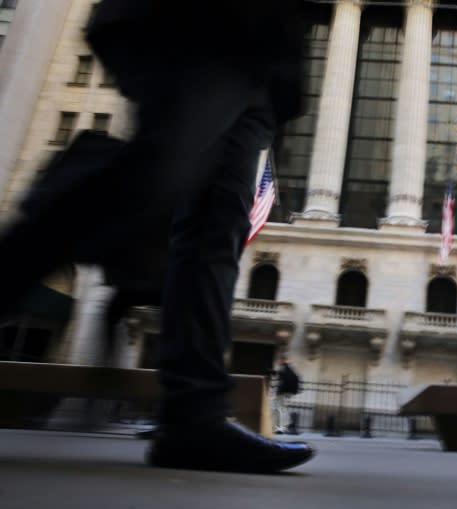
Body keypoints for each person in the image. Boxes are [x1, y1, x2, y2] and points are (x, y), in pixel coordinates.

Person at [0, 0, 314, 473]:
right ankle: (195, 416)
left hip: (264, 57)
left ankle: (196, 419)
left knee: (216, 228)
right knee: (142, 182)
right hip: (202, 26)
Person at [273, 355, 301, 434]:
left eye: (279, 360)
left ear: (282, 360)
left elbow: (284, 381)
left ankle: (282, 428)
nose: (278, 362)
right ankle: (283, 426)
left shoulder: (285, 368)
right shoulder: (286, 368)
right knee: (280, 409)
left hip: (282, 393)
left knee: (281, 410)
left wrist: (281, 391)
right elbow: (281, 376)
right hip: (284, 393)